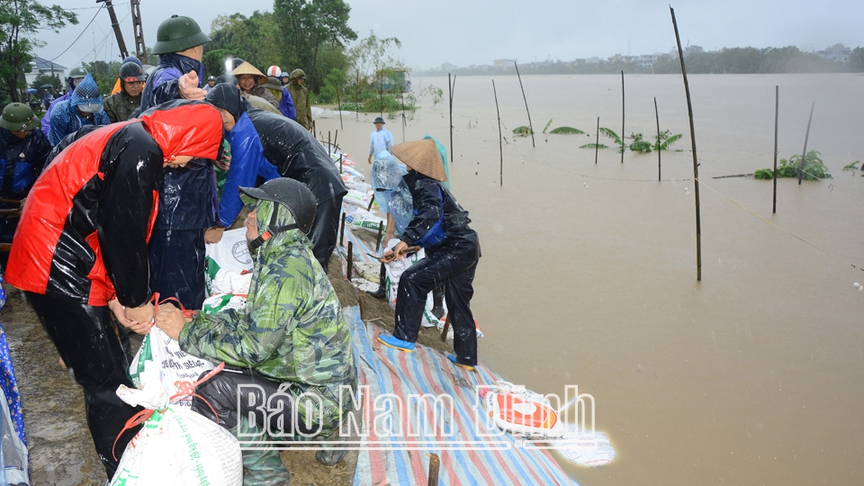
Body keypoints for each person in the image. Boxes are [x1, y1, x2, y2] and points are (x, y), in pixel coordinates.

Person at [5, 101, 224, 479]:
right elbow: (122, 235)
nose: (185, 165)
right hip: (56, 260)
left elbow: (102, 222)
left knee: (106, 360)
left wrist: (113, 297)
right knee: (107, 382)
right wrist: (136, 301)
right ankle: (126, 468)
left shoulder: (133, 138)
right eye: (195, 155)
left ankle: (128, 455)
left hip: (63, 253)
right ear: (188, 135)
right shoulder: (142, 151)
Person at [155, 177, 357, 484]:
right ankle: (326, 436)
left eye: (260, 208)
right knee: (232, 372)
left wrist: (185, 335)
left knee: (213, 391)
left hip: (316, 402)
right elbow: (248, 323)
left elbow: (252, 349)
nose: (249, 215)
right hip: (320, 388)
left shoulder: (286, 273)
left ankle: (269, 476)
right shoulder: (281, 257)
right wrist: (194, 320)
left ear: (280, 221)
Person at [206, 84, 347, 271]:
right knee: (296, 247)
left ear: (232, 105)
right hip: (312, 181)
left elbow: (240, 178)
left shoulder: (246, 130)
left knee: (309, 254)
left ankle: (308, 296)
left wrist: (221, 222)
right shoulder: (250, 120)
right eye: (215, 112)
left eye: (222, 110)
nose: (220, 117)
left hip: (317, 186)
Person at [376, 139, 481, 371]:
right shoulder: (432, 186)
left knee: (411, 280)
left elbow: (430, 216)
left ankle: (404, 338)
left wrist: (405, 239)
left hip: (455, 249)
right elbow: (434, 227)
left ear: (413, 165)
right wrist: (402, 248)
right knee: (458, 303)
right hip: (467, 247)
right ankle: (467, 358)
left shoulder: (425, 186)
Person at [143, 14, 218, 310]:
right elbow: (165, 91)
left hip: (182, 199)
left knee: (179, 270)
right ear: (191, 48)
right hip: (177, 201)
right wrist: (180, 89)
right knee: (178, 279)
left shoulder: (174, 71)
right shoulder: (168, 75)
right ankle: (177, 340)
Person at [0, 103, 51, 243]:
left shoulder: (36, 137)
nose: (26, 132)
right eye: (22, 129)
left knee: (26, 240)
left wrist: (35, 194)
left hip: (25, 196)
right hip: (2, 195)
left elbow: (46, 168)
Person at [47, 74, 110, 146]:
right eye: (85, 107)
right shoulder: (60, 113)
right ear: (76, 102)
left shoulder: (99, 114)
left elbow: (106, 134)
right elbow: (60, 144)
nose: (88, 111)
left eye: (92, 108)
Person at [41, 65, 87, 138]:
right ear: (70, 82)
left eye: (84, 80)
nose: (81, 85)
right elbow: (47, 126)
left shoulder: (94, 103)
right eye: (77, 81)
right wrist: (60, 144)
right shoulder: (58, 104)